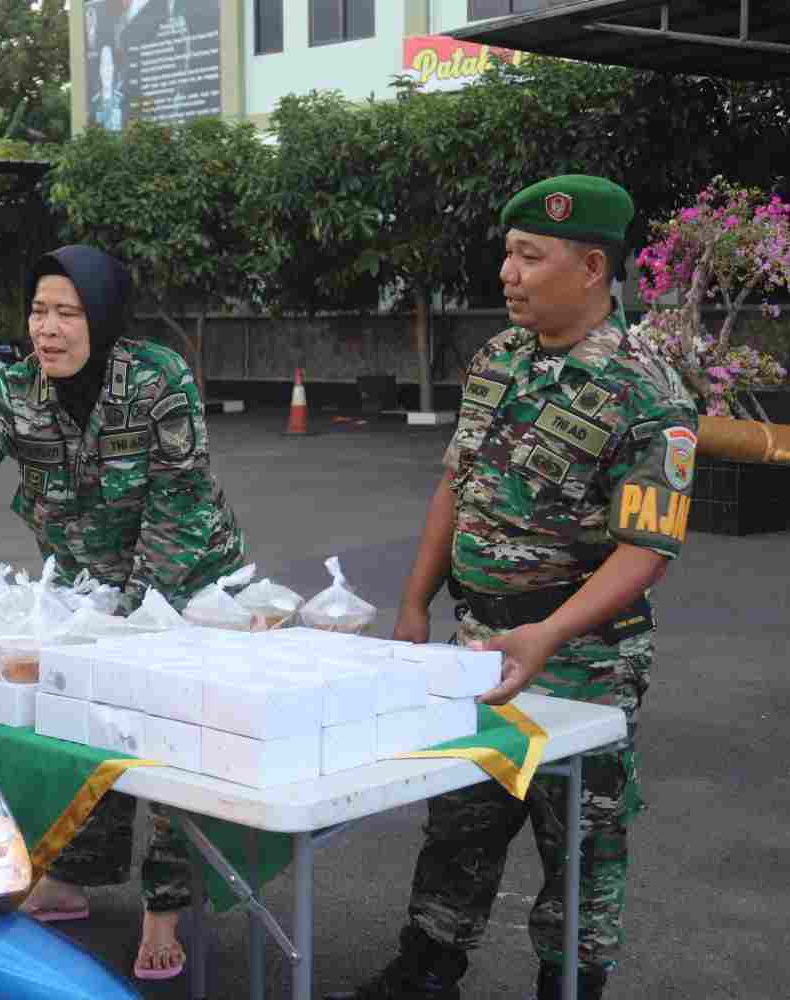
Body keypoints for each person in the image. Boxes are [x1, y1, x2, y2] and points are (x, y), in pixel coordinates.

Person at [329, 177, 698, 1000]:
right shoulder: (498, 358)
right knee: (460, 813)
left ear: (592, 268)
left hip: (584, 656)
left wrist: (548, 633)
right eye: (508, 254)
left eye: (530, 257)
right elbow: (455, 484)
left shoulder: (649, 392)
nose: (508, 273)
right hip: (478, 642)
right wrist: (415, 604)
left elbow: (647, 549)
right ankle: (428, 968)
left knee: (582, 838)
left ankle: (570, 982)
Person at [0, 244, 246, 979]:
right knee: (87, 725)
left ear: (101, 318)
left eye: (68, 313)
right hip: (88, 592)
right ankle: (79, 875)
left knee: (166, 737)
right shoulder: (17, 388)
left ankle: (165, 903)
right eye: (39, 311)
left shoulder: (156, 379)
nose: (47, 329)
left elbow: (178, 502)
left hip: (182, 585)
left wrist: (134, 615)